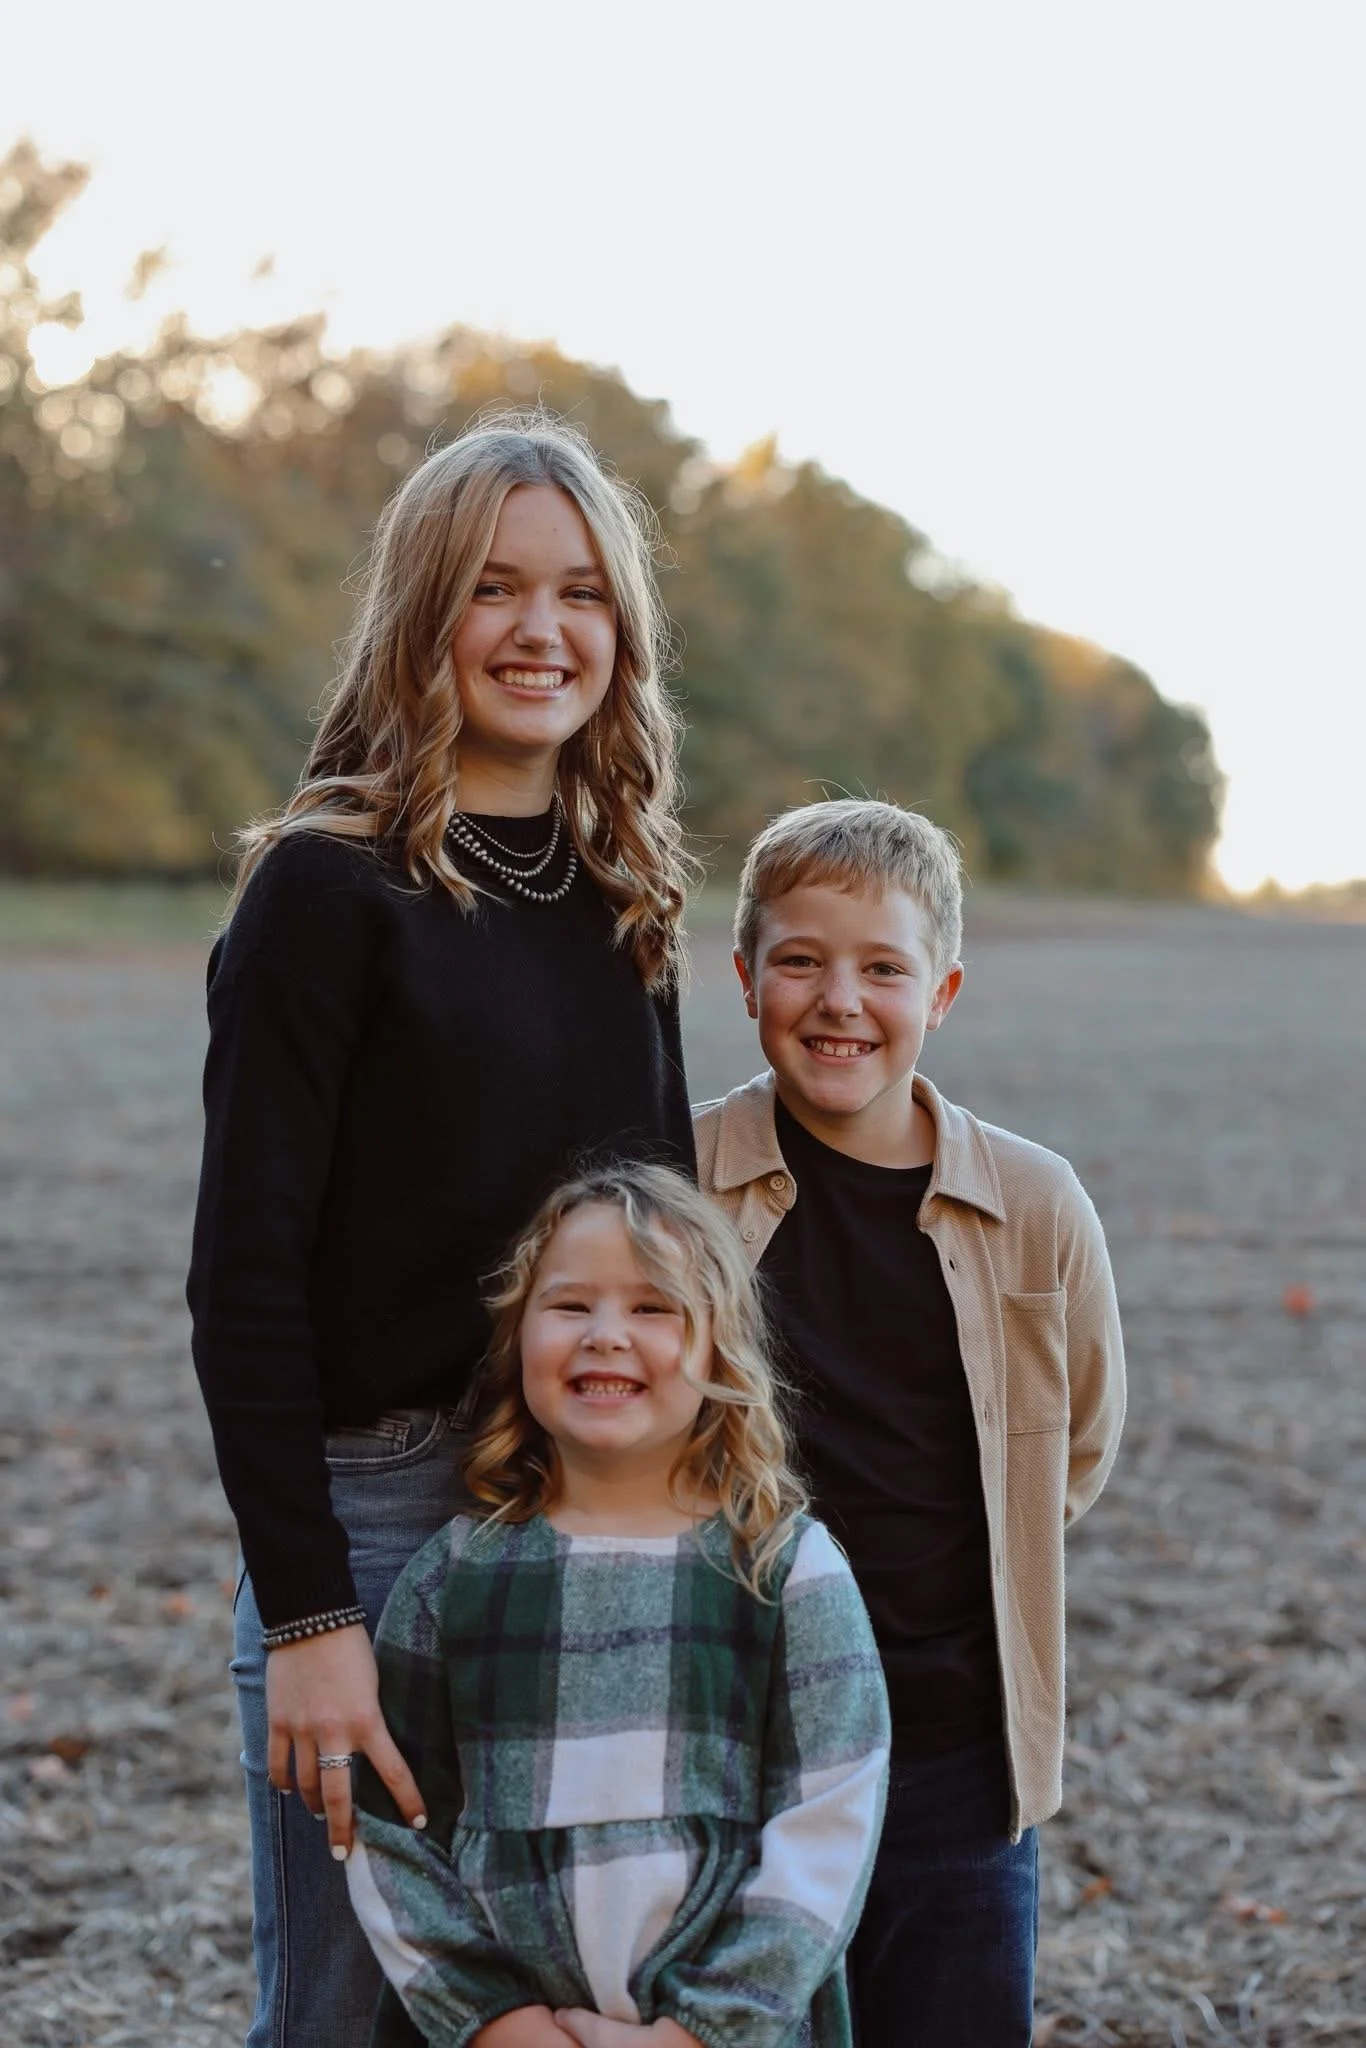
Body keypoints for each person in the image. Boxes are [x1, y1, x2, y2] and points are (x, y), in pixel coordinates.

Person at [186, 413, 699, 2048]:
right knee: (349, 2016)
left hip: (583, 1514)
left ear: (619, 630)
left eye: (578, 593)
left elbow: (668, 1253)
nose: (541, 630)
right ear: (425, 612)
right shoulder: (325, 892)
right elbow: (244, 1280)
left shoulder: (627, 899)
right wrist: (310, 1617)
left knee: (548, 2009)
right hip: (380, 1523)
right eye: (495, 587)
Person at [693, 797, 1126, 2047]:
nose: (840, 999)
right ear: (744, 978)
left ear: (940, 990)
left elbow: (1077, 1446)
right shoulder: (675, 1182)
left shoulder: (1034, 1206)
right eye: (800, 960)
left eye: (881, 967)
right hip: (733, 1753)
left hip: (954, 1756)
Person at [344, 1161, 890, 2048]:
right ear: (518, 1337)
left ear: (721, 1346)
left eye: (653, 1308)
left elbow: (830, 1826)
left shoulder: (786, 1571)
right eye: (569, 1306)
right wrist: (495, 2025)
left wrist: (700, 2033)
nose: (605, 1335)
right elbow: (388, 1826)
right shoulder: (455, 1576)